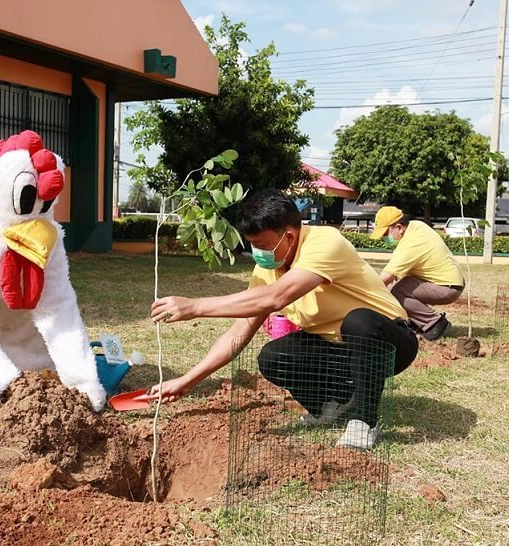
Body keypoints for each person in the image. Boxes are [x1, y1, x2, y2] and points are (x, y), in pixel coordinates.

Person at [149, 190, 419, 450]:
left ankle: (363, 421)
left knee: (359, 321)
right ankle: (332, 403)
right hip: (339, 349)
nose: (257, 253)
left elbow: (277, 297)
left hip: (389, 343)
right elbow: (238, 332)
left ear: (289, 236)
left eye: (263, 245)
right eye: (252, 245)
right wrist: (187, 381)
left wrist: (194, 306)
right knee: (273, 356)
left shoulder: (325, 242)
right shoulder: (265, 270)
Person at [369, 206, 465, 341]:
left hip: (447, 287)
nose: (385, 238)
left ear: (399, 227)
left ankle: (435, 323)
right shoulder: (416, 226)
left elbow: (385, 278)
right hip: (449, 281)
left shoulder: (411, 244)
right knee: (396, 285)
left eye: (386, 234)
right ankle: (416, 321)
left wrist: (365, 292)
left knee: (397, 290)